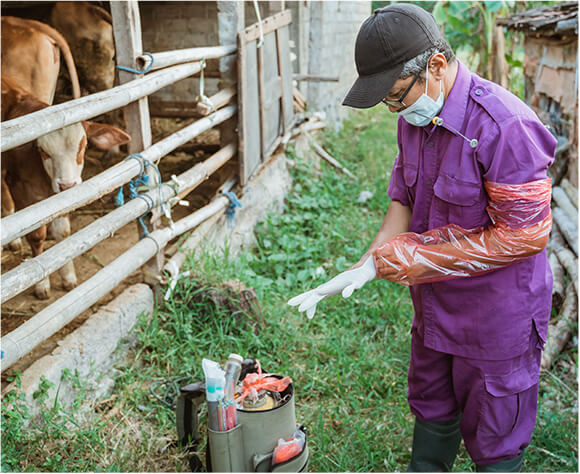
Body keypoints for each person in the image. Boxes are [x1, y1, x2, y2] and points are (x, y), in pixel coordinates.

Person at [288, 3, 557, 472]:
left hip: (496, 320)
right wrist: (366, 264)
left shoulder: (504, 127)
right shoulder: (414, 122)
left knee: (494, 441)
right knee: (432, 409)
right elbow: (403, 202)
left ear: (435, 66)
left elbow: (524, 237)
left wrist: (424, 260)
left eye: (395, 96)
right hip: (434, 309)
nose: (393, 109)